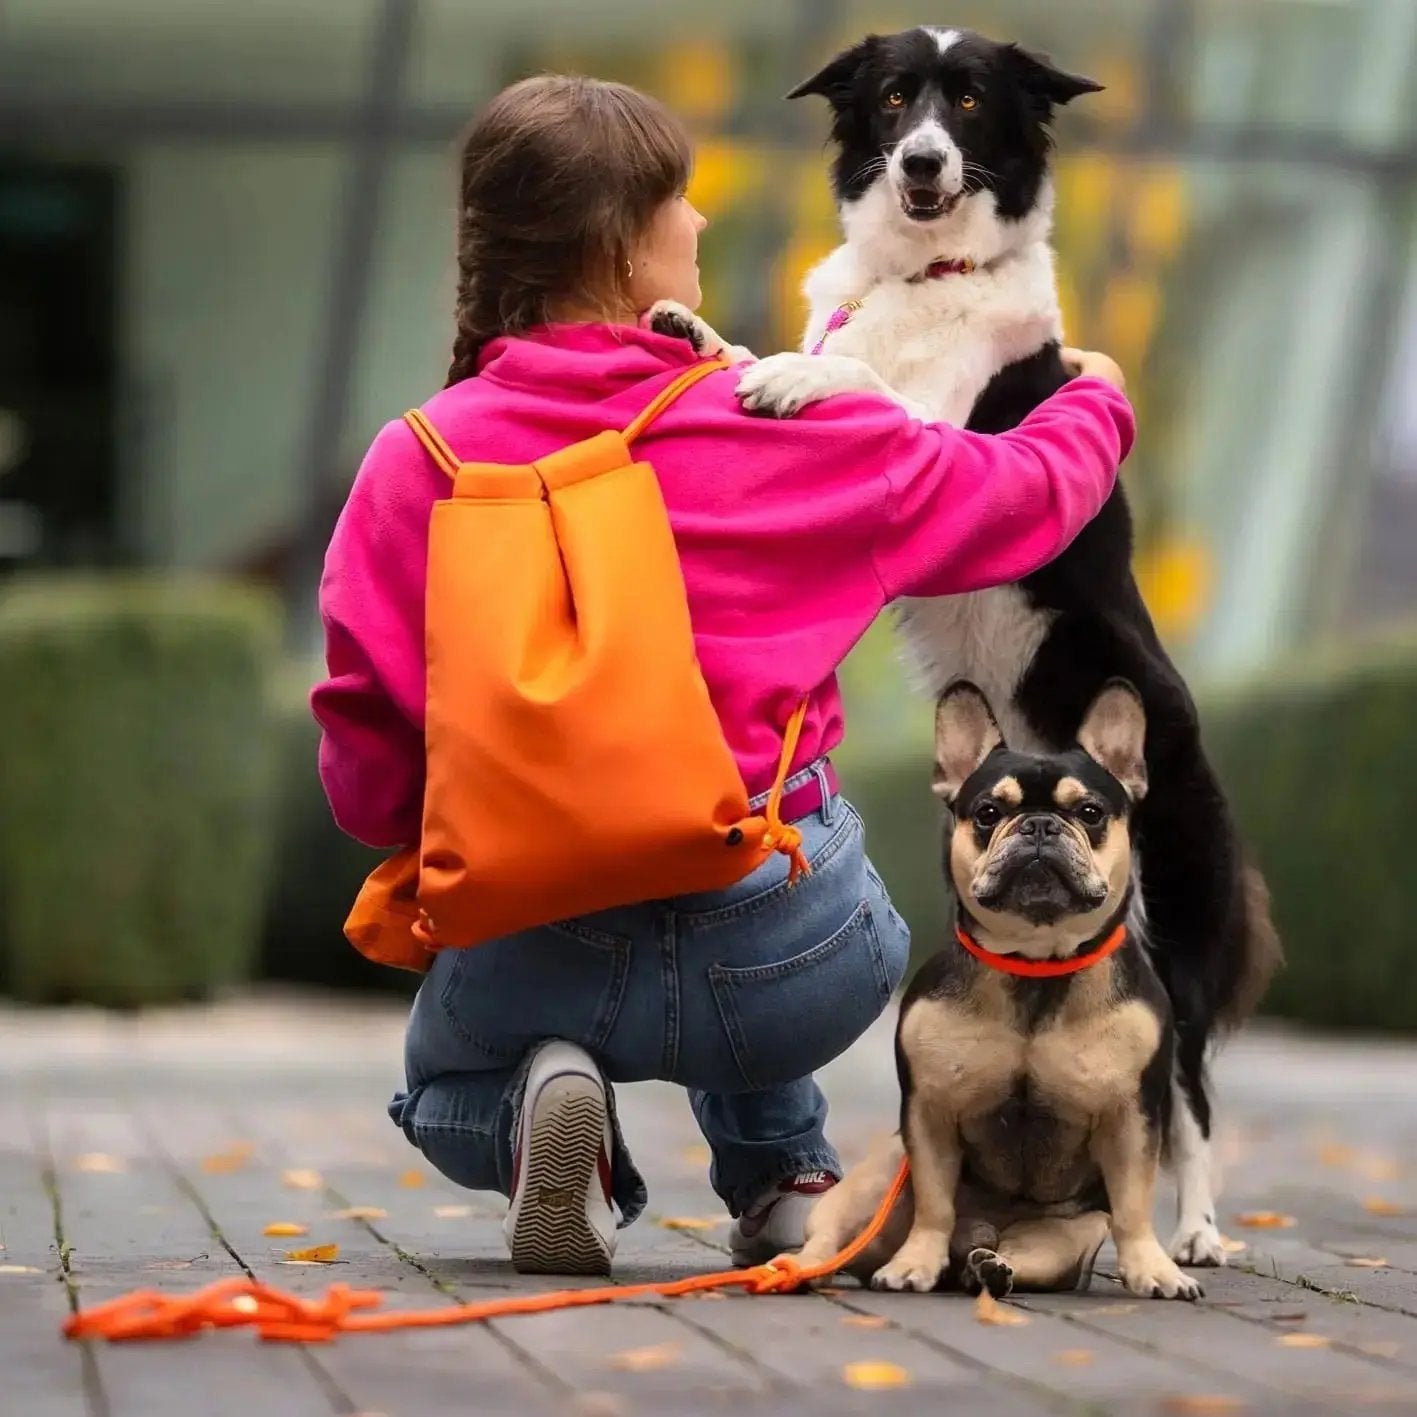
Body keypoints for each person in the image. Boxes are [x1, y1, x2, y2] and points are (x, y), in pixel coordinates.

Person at [312, 74, 1133, 1277]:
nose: (696, 224)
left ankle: (550, 1116)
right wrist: (1093, 401)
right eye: (678, 201)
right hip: (793, 962)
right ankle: (790, 1179)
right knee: (764, 817)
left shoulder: (414, 459)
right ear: (623, 242)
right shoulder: (779, 422)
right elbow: (1013, 499)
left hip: (548, 957)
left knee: (444, 1077)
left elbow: (368, 786)